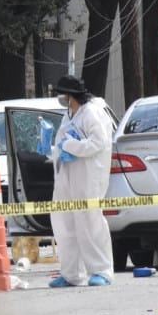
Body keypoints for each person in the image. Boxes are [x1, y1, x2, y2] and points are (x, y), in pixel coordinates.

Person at [48, 75, 114, 287]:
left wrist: (71, 147)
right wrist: (52, 151)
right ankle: (71, 274)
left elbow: (99, 143)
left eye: (62, 94)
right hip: (67, 178)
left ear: (70, 96)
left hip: (87, 178)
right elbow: (64, 142)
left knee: (90, 223)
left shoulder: (90, 113)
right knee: (65, 224)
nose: (60, 98)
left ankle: (102, 271)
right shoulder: (69, 115)